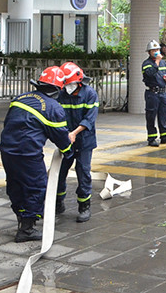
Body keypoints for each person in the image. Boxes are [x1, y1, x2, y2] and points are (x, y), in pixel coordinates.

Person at [0, 66, 73, 243]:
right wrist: (68, 152)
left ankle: (21, 218)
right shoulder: (53, 108)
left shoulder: (20, 99)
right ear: (58, 88)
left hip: (7, 151)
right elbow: (60, 136)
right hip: (28, 154)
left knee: (15, 184)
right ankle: (27, 229)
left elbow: (9, 122)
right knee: (37, 187)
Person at [56, 61, 99, 223]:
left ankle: (84, 206)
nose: (68, 87)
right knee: (60, 172)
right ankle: (58, 202)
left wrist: (74, 133)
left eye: (70, 84)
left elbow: (89, 119)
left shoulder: (90, 94)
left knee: (83, 172)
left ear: (78, 81)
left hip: (84, 141)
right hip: (66, 140)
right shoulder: (61, 94)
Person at [142, 39, 166, 146]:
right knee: (151, 115)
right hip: (152, 93)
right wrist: (156, 62)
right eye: (153, 50)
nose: (156, 51)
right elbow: (150, 74)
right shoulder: (147, 63)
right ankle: (151, 138)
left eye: (157, 49)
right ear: (149, 52)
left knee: (163, 115)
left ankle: (165, 136)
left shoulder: (163, 63)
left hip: (162, 93)